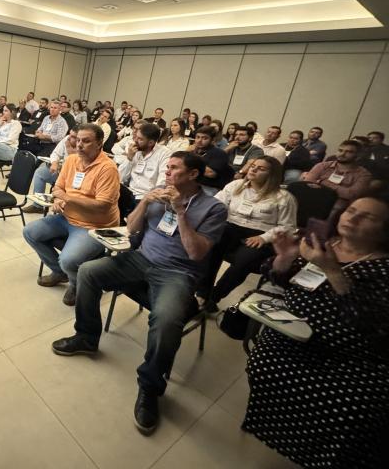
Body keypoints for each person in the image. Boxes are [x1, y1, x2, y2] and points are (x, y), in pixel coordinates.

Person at [52, 152, 227, 433]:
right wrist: (145, 201)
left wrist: (181, 212)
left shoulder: (213, 209)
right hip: (140, 259)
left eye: (173, 168)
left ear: (193, 174)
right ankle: (86, 336)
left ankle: (150, 387)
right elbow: (131, 229)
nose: (166, 172)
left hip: (178, 272)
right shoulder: (157, 192)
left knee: (168, 319)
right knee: (87, 271)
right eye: (166, 167)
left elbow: (196, 253)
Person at [243, 196, 389, 469]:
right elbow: (277, 278)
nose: (352, 218)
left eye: (367, 217)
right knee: (263, 365)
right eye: (351, 210)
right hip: (291, 334)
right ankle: (279, 431)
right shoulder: (323, 242)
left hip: (352, 360)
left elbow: (371, 324)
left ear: (384, 231)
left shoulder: (382, 268)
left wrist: (331, 269)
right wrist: (285, 258)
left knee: (354, 412)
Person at [24, 124, 120, 306]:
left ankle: (77, 284)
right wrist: (59, 200)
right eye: (78, 140)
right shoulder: (71, 160)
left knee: (68, 260)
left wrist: (66, 198)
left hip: (93, 225)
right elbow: (58, 187)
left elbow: (102, 206)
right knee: (30, 232)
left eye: (86, 141)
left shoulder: (108, 168)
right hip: (67, 217)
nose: (79, 145)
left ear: (99, 143)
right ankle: (59, 273)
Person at [197, 156, 297, 310]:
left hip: (259, 234)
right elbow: (216, 205)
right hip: (230, 227)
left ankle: (215, 296)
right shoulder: (236, 185)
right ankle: (202, 293)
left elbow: (288, 227)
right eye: (253, 166)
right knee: (209, 246)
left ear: (272, 174)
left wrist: (264, 238)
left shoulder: (283, 197)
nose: (253, 169)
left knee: (243, 261)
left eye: (261, 168)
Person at [302, 140, 372, 211]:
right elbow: (307, 183)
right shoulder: (322, 165)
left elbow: (351, 194)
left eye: (349, 152)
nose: (342, 154)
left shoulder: (364, 174)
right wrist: (340, 189)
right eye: (340, 150)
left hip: (338, 203)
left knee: (337, 206)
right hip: (315, 195)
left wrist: (322, 182)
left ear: (358, 155)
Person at [23, 128, 78, 214]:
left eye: (73, 137)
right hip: (61, 172)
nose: (69, 138)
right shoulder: (68, 139)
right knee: (40, 173)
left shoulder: (85, 147)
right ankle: (38, 206)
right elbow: (55, 153)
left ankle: (65, 209)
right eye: (70, 134)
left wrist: (71, 154)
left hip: (74, 179)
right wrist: (54, 162)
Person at [119, 123, 170, 216]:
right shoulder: (136, 150)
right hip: (129, 193)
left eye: (140, 139)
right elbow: (120, 178)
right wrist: (129, 158)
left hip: (146, 197)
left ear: (151, 142)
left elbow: (162, 182)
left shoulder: (164, 153)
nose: (135, 141)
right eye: (136, 137)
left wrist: (150, 198)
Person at [192, 126, 234, 195]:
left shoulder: (219, 153)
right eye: (198, 137)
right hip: (193, 183)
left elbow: (211, 174)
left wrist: (191, 164)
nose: (199, 141)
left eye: (204, 138)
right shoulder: (194, 151)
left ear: (213, 140)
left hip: (209, 187)